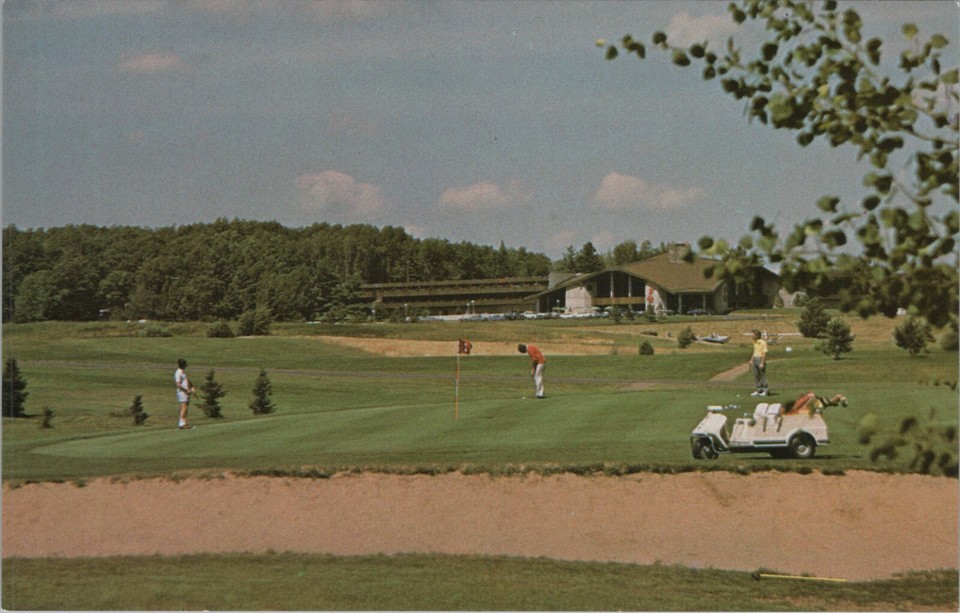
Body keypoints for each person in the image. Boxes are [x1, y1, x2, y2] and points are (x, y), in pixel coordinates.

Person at [174, 358, 196, 429]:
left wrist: (191, 387)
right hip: (182, 392)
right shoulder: (178, 372)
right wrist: (186, 390)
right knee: (184, 407)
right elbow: (178, 384)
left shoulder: (183, 372)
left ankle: (185, 423)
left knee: (186, 407)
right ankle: (182, 423)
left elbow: (187, 381)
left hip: (186, 392)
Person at [748, 330, 769, 396]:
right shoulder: (754, 342)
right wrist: (751, 360)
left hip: (760, 358)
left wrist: (762, 362)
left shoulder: (762, 342)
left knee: (762, 375)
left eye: (753, 334)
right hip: (755, 358)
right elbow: (755, 351)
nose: (751, 336)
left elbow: (765, 352)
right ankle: (759, 390)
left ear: (756, 335)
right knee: (756, 375)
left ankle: (765, 390)